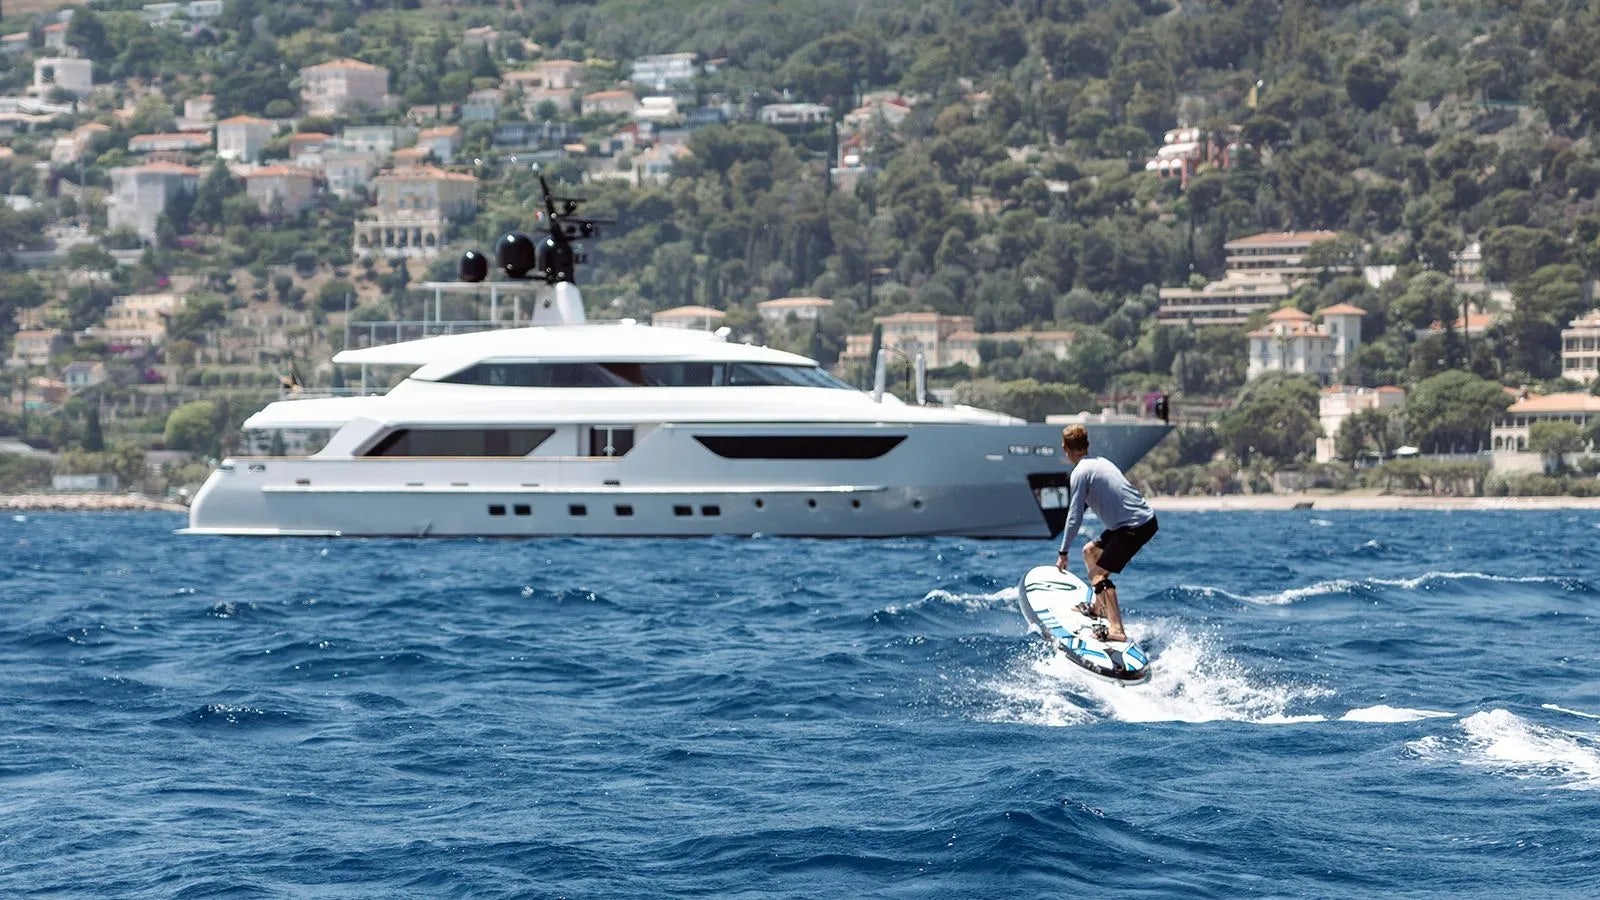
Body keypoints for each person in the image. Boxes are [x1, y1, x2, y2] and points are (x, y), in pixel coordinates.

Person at [1054, 424, 1158, 642]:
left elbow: (1074, 517)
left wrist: (1063, 552)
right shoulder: (1101, 462)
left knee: (1098, 575)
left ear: (1065, 448)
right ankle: (1098, 608)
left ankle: (1117, 630)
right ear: (1087, 445)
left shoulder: (1080, 473)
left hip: (1134, 527)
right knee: (1090, 551)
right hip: (1137, 522)